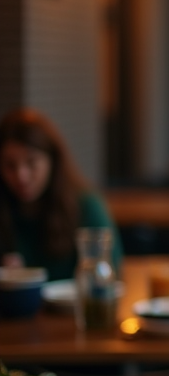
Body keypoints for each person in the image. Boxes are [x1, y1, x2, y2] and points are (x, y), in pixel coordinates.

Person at [0, 108, 123, 281]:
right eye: (10, 165)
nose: (21, 176)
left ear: (52, 160)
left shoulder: (85, 205)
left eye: (32, 162)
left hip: (74, 307)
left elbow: (110, 272)